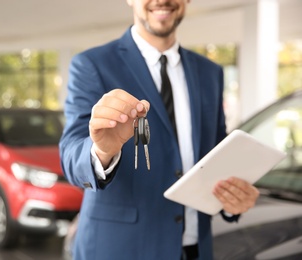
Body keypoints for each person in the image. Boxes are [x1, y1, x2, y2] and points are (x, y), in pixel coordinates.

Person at [59, 0, 259, 259]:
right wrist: (102, 151)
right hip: (121, 249)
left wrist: (232, 202)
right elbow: (71, 156)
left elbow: (214, 158)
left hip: (194, 249)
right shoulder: (91, 65)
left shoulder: (210, 73)